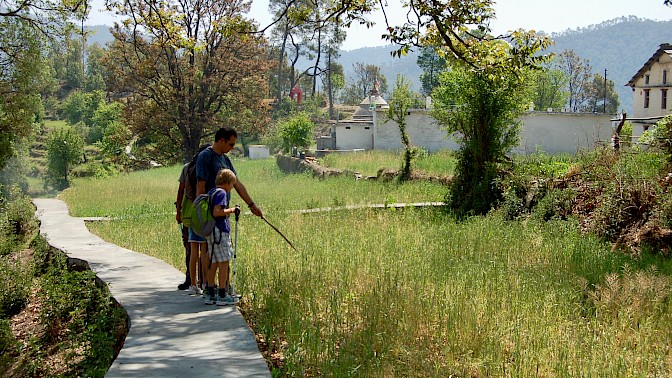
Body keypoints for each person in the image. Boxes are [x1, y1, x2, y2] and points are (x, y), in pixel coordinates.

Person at [195, 127, 263, 295]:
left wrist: (252, 205)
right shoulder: (206, 156)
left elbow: (237, 184)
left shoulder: (225, 160)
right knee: (215, 255)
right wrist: (203, 214)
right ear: (221, 140)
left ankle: (220, 286)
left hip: (222, 216)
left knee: (220, 255)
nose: (232, 148)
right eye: (231, 144)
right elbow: (200, 185)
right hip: (212, 216)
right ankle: (212, 287)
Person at [203, 169, 240, 305]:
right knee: (224, 262)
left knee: (214, 262)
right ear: (227, 183)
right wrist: (232, 210)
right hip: (220, 231)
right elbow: (217, 212)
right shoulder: (221, 193)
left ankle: (210, 291)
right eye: (232, 185)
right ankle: (222, 294)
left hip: (212, 232)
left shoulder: (211, 192)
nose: (231, 188)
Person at [175, 161, 191, 290]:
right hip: (206, 216)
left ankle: (190, 278)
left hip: (187, 214)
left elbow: (181, 190)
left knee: (189, 248)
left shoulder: (187, 167)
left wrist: (178, 212)